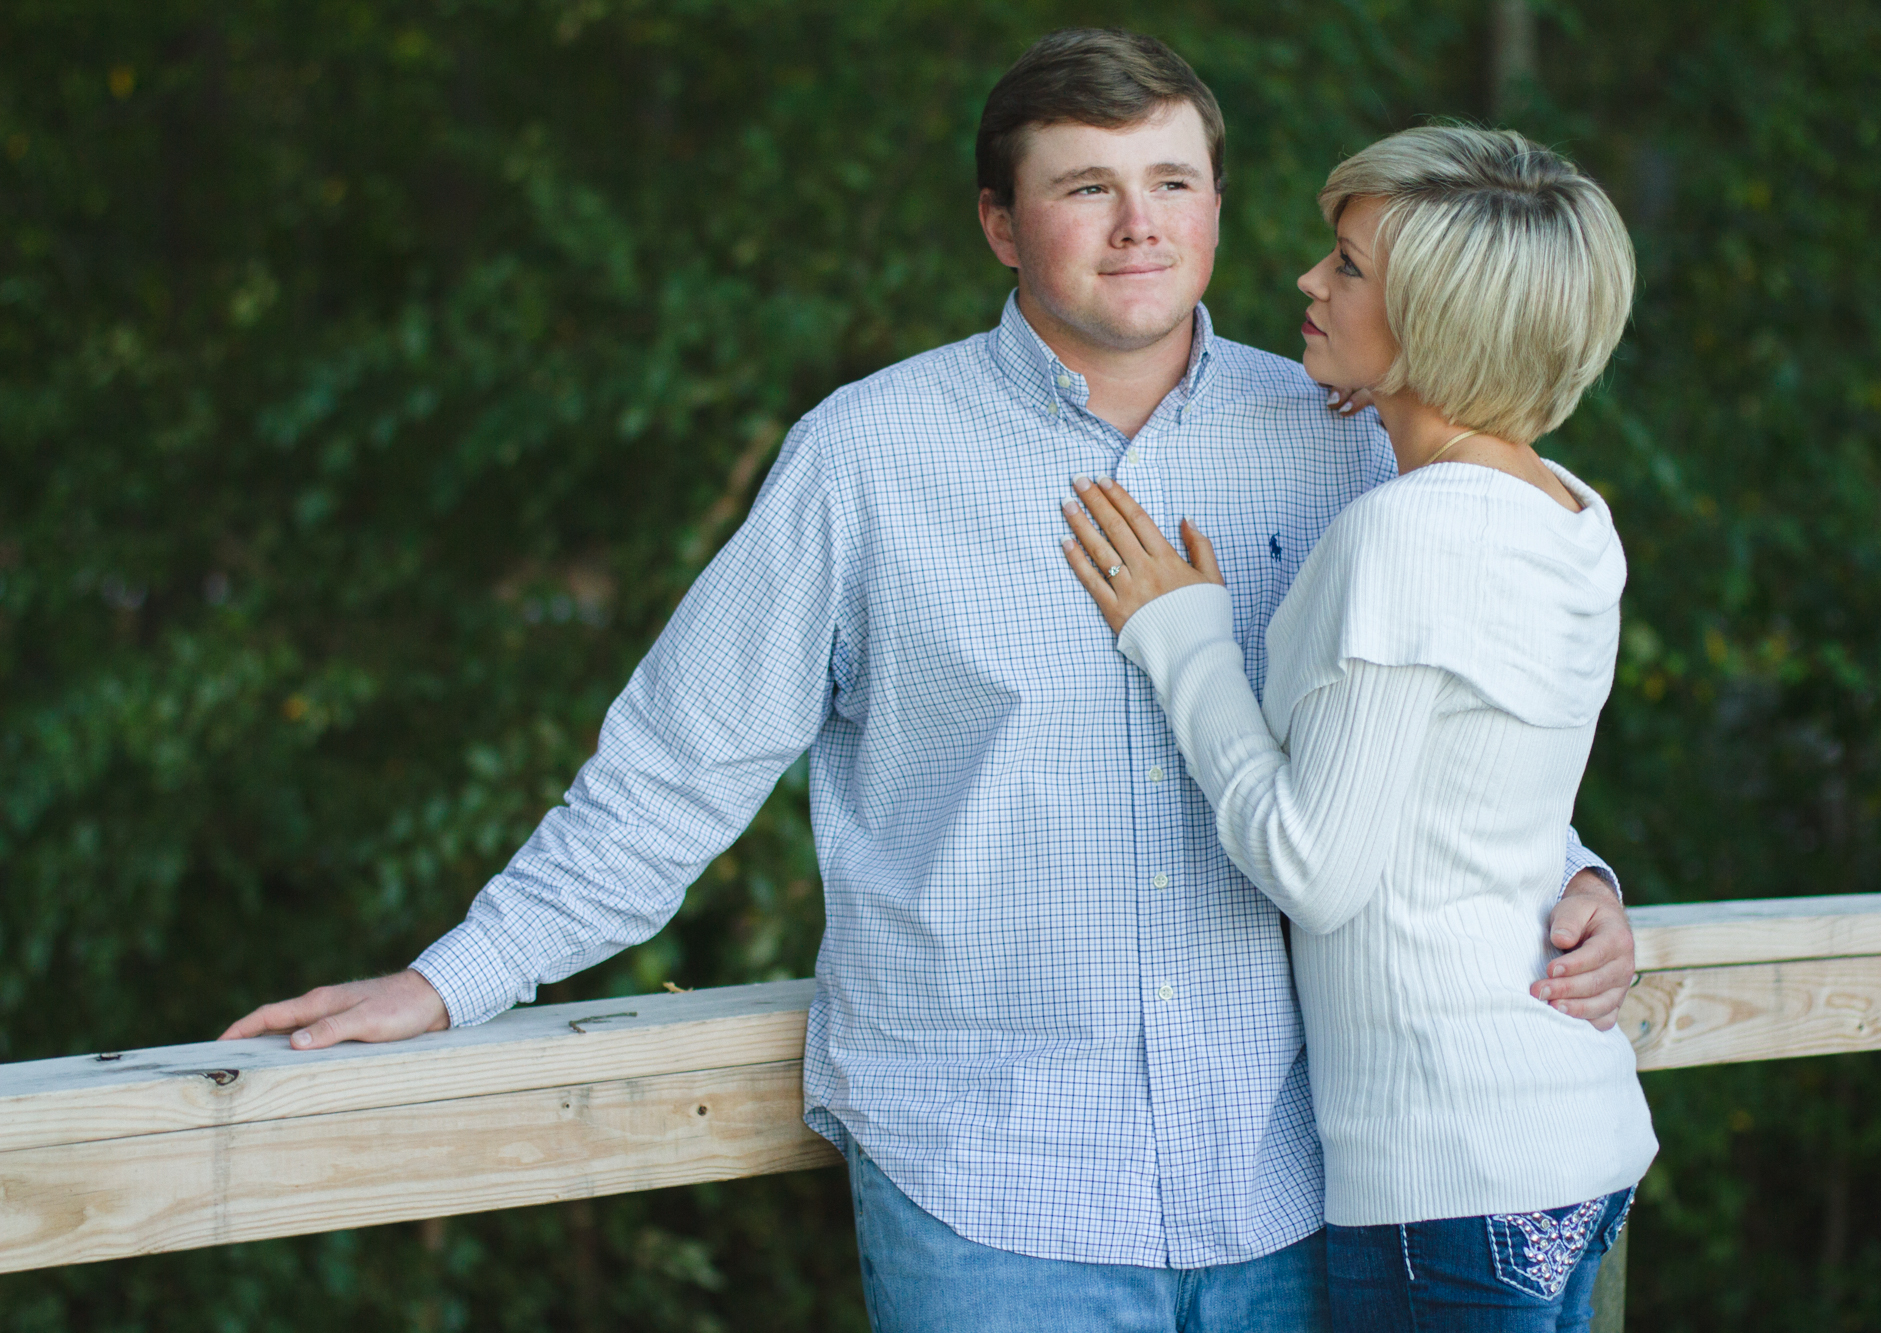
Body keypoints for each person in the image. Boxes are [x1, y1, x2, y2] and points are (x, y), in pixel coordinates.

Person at [223, 33, 1638, 1333]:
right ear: (999, 224)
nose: (1142, 223)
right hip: (989, 1200)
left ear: (1218, 202)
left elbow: (1430, 725)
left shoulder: (1343, 439)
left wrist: (1571, 881)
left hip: (1288, 1187)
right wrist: (454, 976)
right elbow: (677, 765)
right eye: (1086, 186)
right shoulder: (869, 461)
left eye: (1174, 180)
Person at [1056, 126, 1655, 1331]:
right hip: (1567, 1137)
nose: (1306, 284)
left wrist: (1183, 643)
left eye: (1347, 268)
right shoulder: (1567, 514)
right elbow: (1475, 783)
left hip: (1454, 1181)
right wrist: (1585, 868)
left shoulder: (1406, 536)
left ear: (1435, 321)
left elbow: (1311, 868)